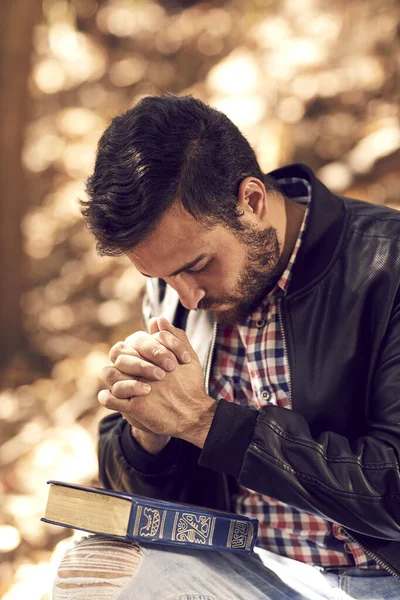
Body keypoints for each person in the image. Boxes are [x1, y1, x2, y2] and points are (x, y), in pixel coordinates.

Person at [54, 94, 400, 600]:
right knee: (92, 569)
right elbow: (148, 496)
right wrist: (146, 432)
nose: (186, 297)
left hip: (378, 582)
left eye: (196, 266)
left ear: (252, 201)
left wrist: (205, 422)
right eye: (160, 277)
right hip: (243, 568)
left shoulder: (385, 267)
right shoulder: (178, 282)